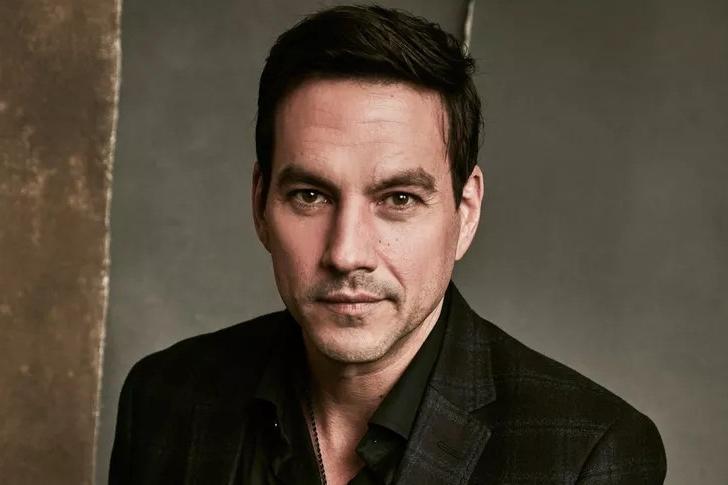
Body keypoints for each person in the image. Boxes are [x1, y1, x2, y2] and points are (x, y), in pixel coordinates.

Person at [109, 5, 666, 484]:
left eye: (398, 199)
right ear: (260, 204)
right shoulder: (164, 399)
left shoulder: (588, 456)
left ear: (465, 213)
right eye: (310, 195)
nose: (346, 253)